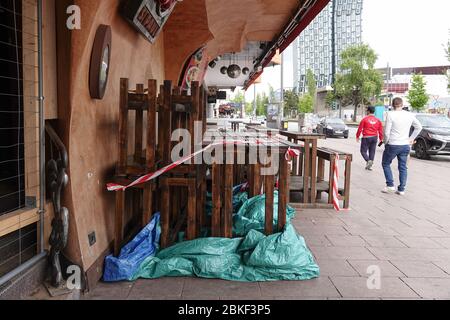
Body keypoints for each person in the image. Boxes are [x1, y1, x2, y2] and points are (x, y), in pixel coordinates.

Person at [382, 98, 423, 196]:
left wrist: (385, 142)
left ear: (392, 105)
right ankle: (401, 189)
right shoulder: (409, 115)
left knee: (386, 163)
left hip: (393, 144)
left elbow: (387, 132)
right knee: (403, 167)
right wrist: (411, 139)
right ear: (402, 104)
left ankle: (390, 185)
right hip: (405, 145)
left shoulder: (390, 114)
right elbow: (419, 127)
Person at [356, 106, 383, 171]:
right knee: (372, 151)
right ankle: (369, 166)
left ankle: (368, 161)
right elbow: (380, 130)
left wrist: (357, 136)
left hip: (366, 137)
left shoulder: (364, 119)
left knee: (363, 151)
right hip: (374, 137)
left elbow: (360, 129)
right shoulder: (378, 120)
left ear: (368, 111)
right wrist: (381, 138)